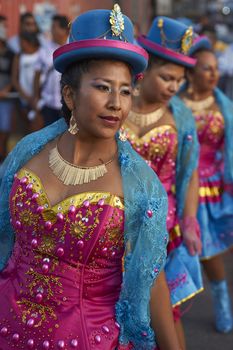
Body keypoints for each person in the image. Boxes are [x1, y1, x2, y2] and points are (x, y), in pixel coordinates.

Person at [0, 5, 181, 350]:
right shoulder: (26, 154)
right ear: (69, 94)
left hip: (89, 339)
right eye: (103, 87)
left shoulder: (141, 185)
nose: (116, 103)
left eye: (125, 91)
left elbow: (151, 277)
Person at [123, 17, 203, 350]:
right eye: (166, 77)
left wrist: (189, 220)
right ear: (144, 71)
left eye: (179, 81)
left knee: (165, 312)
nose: (173, 87)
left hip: (163, 232)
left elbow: (191, 171)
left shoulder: (180, 116)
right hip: (118, 229)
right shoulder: (116, 107)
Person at [179, 35, 233, 334]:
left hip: (215, 189)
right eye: (206, 68)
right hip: (182, 188)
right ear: (190, 72)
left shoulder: (225, 106)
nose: (214, 74)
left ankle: (222, 300)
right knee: (175, 253)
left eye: (215, 68)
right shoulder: (176, 106)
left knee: (211, 252)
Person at [33, 15, 69, 128]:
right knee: (48, 136)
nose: (51, 30)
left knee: (65, 135)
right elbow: (37, 75)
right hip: (48, 104)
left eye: (54, 27)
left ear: (64, 30)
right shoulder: (44, 49)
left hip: (68, 103)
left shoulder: (72, 48)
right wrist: (36, 98)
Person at [12, 31, 40, 127]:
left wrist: (36, 96)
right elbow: (14, 79)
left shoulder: (40, 53)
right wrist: (26, 97)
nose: (20, 44)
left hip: (39, 98)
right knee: (27, 126)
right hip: (24, 98)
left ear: (29, 42)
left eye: (22, 41)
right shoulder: (19, 56)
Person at [0, 24, 14, 163]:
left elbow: (14, 76)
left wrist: (6, 90)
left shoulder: (11, 54)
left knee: (4, 129)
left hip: (6, 98)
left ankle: (3, 158)